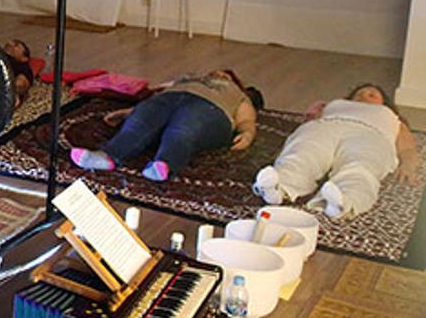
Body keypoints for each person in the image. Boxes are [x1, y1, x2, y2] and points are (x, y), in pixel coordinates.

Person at [253, 84, 421, 218]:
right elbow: (308, 123)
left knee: (362, 164)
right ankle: (279, 187)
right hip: (327, 126)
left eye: (371, 95)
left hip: (370, 135)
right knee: (304, 150)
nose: (364, 96)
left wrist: (408, 164)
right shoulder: (334, 106)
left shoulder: (390, 117)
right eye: (359, 94)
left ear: (384, 103)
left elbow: (407, 147)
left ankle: (344, 200)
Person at [69, 70, 262, 181]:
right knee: (141, 123)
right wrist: (130, 112)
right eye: (215, 71)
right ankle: (106, 156)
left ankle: (165, 164)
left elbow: (247, 121)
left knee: (184, 129)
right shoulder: (189, 78)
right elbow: (155, 96)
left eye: (224, 74)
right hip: (169, 99)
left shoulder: (237, 94)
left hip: (210, 110)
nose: (217, 73)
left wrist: (247, 134)